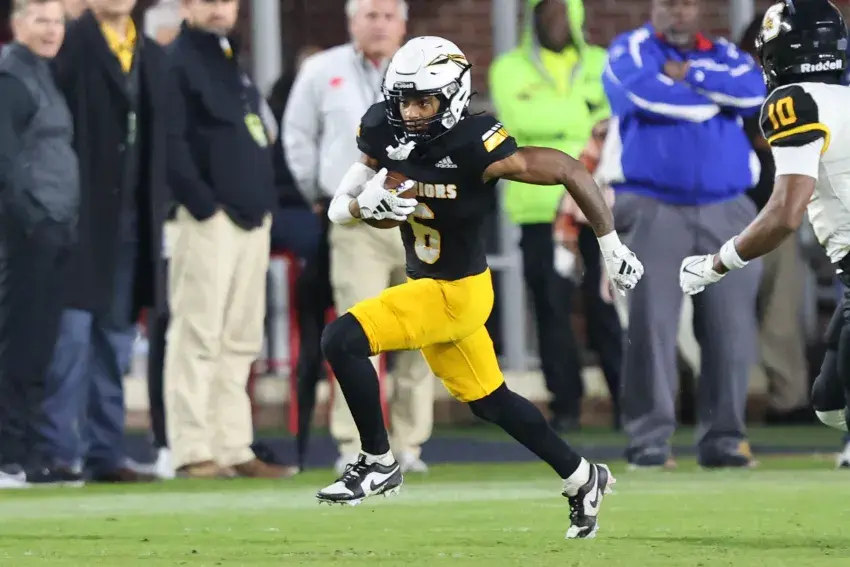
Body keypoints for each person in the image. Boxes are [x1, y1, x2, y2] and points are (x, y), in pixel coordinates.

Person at [317, 36, 643, 539]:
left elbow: (569, 169)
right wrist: (366, 207)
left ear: (454, 97)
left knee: (341, 340)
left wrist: (610, 244)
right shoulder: (383, 126)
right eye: (404, 100)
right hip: (431, 285)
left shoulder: (476, 143)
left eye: (424, 101)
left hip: (457, 292)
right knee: (491, 401)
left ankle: (378, 461)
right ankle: (583, 476)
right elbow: (340, 208)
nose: (411, 112)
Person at [602, 0, 766, 469]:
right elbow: (641, 95)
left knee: (730, 329)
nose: (678, 12)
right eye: (668, 3)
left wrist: (690, 75)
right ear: (654, 7)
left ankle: (724, 440)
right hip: (653, 205)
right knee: (651, 326)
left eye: (687, 3)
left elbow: (756, 91)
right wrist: (714, 99)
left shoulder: (724, 53)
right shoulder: (630, 48)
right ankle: (649, 442)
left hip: (728, 208)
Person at [680, 0, 850, 444]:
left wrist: (718, 263)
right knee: (830, 402)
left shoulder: (795, 101)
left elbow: (785, 213)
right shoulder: (841, 96)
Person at [284, 0, 435, 475]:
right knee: (356, 331)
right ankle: (356, 445)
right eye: (370, 14)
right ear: (352, 21)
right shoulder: (321, 70)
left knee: (419, 332)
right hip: (356, 221)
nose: (380, 24)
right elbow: (297, 137)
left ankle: (410, 445)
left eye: (389, 16)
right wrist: (322, 193)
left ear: (403, 24)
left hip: (419, 217)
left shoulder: (429, 72)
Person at [164, 0, 294, 479]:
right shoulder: (175, 60)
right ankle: (192, 448)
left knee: (240, 338)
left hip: (251, 217)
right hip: (208, 219)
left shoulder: (228, 57)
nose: (219, 7)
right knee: (197, 332)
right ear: (186, 5)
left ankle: (233, 445)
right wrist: (203, 204)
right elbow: (170, 144)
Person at [42, 0, 170, 483]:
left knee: (115, 341)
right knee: (70, 338)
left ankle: (105, 451)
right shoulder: (69, 44)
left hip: (132, 220)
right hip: (78, 218)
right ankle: (57, 451)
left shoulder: (149, 53)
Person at [489, 0, 611, 432]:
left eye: (562, 11)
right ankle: (566, 407)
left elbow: (614, 122)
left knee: (607, 304)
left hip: (596, 204)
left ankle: (628, 404)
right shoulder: (508, 68)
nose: (554, 21)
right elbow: (519, 121)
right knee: (551, 308)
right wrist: (581, 123)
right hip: (537, 206)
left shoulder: (601, 62)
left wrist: (560, 129)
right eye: (544, 12)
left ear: (576, 16)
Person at [0, 0, 79, 488]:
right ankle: (7, 455)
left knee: (38, 348)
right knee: (17, 345)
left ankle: (29, 455)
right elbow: (5, 161)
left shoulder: (42, 72)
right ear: (16, 24)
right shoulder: (11, 76)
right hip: (27, 232)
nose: (52, 30)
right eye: (41, 20)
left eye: (57, 21)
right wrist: (31, 222)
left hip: (54, 226)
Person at [736, 14, 811, 425]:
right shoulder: (731, 84)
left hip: (777, 215)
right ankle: (702, 401)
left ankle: (788, 401)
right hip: (728, 216)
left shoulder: (789, 89)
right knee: (718, 316)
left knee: (782, 314)